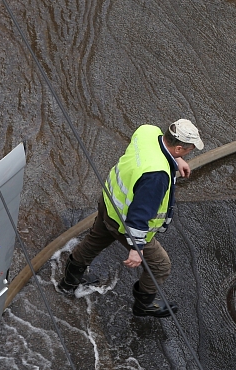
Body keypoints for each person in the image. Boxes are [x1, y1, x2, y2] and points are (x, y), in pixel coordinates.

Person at [58, 119, 204, 318]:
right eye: (188, 150)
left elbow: (154, 149)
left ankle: (68, 283)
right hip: (124, 222)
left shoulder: (148, 131)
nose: (190, 153)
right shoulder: (157, 175)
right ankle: (144, 305)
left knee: (94, 241)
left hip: (109, 202)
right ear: (179, 147)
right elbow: (139, 214)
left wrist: (176, 160)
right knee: (160, 265)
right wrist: (136, 248)